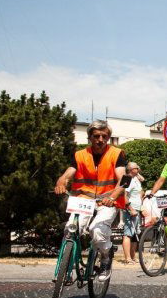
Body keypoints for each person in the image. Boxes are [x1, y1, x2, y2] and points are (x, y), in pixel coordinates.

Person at [54, 120, 127, 280]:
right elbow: (69, 173)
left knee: (98, 231)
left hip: (107, 201)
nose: (100, 140)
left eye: (104, 136)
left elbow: (123, 179)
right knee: (70, 230)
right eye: (96, 136)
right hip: (83, 200)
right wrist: (61, 180)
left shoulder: (116, 154)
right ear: (89, 137)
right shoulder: (80, 155)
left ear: (108, 138)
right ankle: (65, 269)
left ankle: (106, 258)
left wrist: (113, 197)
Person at [120, 161, 144, 264]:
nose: (138, 169)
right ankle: (127, 258)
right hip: (130, 210)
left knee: (134, 234)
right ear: (131, 170)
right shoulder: (127, 179)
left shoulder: (135, 178)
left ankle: (133, 257)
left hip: (136, 208)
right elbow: (123, 195)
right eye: (136, 168)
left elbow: (143, 179)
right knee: (128, 233)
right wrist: (130, 208)